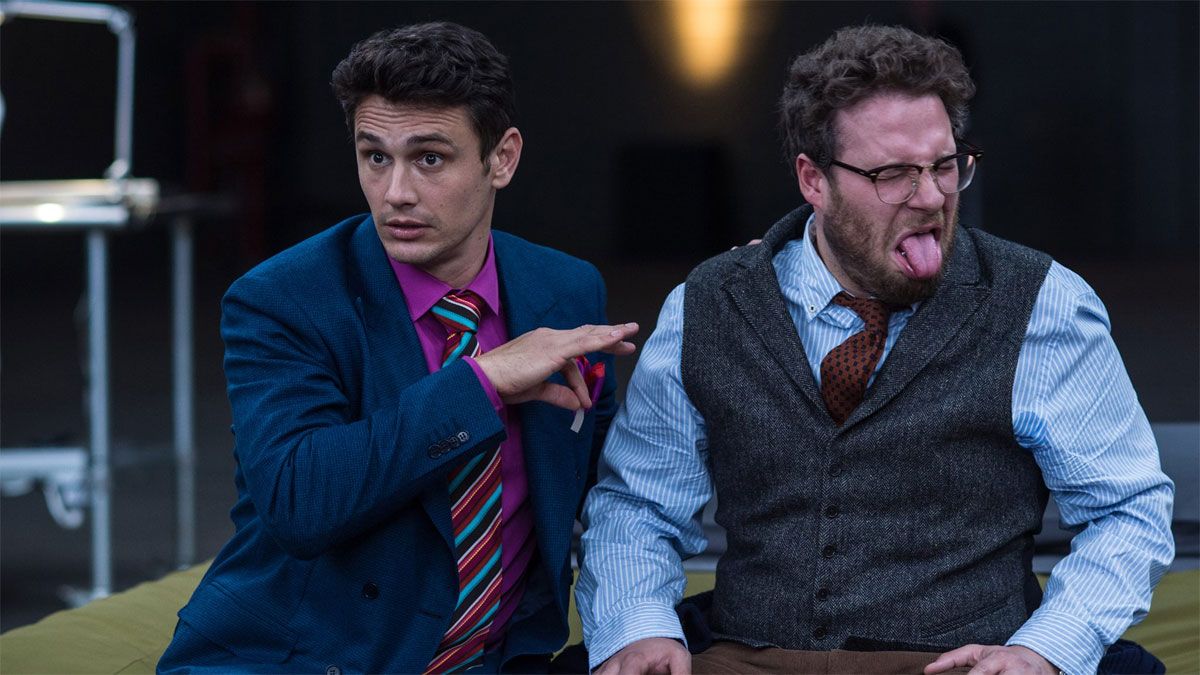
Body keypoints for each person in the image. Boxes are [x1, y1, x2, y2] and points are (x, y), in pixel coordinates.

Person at [576, 25, 1174, 675]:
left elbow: (1128, 510)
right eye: (893, 174)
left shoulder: (1040, 302)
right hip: (747, 654)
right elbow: (639, 506)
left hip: (958, 660)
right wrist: (639, 628)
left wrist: (1044, 648)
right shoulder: (710, 303)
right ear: (813, 179)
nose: (931, 197)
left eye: (944, 166)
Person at [158, 22, 638, 674]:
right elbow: (300, 502)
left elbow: (608, 486)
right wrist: (480, 384)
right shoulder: (283, 299)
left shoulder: (566, 290)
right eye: (375, 157)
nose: (396, 193)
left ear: (502, 159)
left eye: (429, 158)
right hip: (301, 661)